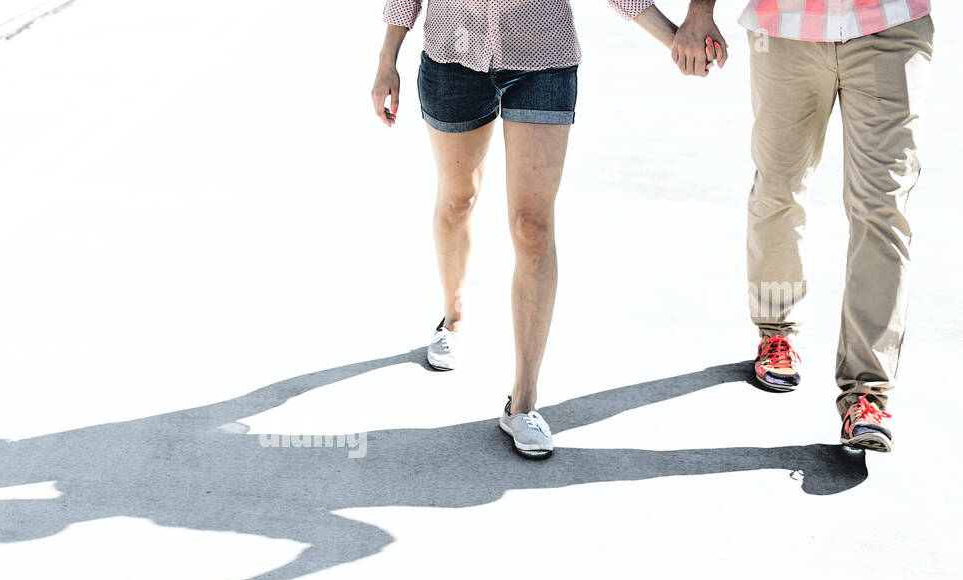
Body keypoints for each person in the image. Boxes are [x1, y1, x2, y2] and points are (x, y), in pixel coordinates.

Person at [371, 2, 721, 458]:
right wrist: (386, 61)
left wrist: (675, 36)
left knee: (532, 226)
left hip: (544, 61)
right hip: (453, 57)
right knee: (458, 201)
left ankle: (524, 400)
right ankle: (453, 316)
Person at [679, 1, 931, 452]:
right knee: (778, 190)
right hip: (783, 27)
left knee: (882, 209)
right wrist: (700, 11)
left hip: (890, 26)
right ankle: (776, 331)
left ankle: (867, 394)